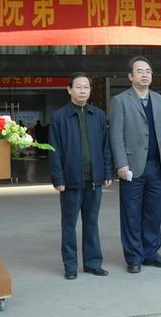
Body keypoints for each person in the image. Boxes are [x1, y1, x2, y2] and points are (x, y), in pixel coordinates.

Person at [109, 56, 161, 273]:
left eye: (148, 71)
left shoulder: (160, 100)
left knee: (154, 213)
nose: (145, 74)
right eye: (140, 71)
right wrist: (121, 163)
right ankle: (134, 257)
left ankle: (151, 253)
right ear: (131, 76)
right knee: (131, 214)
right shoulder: (120, 101)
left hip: (157, 167)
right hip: (132, 167)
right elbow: (116, 136)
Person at [48, 72, 113, 280]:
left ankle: (93, 263)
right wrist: (58, 179)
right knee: (69, 225)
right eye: (78, 87)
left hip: (94, 179)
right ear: (69, 89)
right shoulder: (59, 117)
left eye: (86, 87)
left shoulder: (99, 115)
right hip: (70, 181)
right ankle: (70, 266)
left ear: (90, 90)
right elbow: (54, 150)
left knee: (91, 223)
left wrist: (107, 171)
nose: (83, 91)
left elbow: (105, 147)